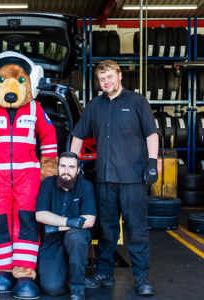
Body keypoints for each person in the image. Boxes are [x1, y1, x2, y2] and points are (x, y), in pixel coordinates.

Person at [70, 60, 159, 296]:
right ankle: (104, 273)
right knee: (107, 231)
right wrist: (72, 162)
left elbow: (151, 132)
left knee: (136, 230)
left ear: (119, 76)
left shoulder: (137, 101)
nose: (106, 82)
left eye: (110, 77)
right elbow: (78, 135)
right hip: (105, 180)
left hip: (133, 180)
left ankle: (141, 277)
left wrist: (152, 162)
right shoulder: (94, 106)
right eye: (102, 79)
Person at [35, 152, 97, 300]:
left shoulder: (86, 186)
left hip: (77, 238)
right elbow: (40, 215)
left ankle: (77, 288)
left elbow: (89, 220)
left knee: (75, 236)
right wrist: (70, 222)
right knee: (52, 288)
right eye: (62, 166)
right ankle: (65, 273)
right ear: (57, 167)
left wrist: (56, 225)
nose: (66, 171)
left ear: (77, 170)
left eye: (71, 167)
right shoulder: (47, 184)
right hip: (53, 241)